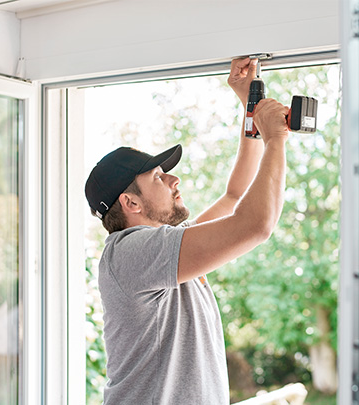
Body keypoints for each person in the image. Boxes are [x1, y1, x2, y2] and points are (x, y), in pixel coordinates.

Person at [84, 57, 289, 405]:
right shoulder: (132, 253)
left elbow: (236, 195)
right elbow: (256, 225)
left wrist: (250, 105)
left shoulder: (163, 251)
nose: (174, 179)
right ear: (130, 203)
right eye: (158, 178)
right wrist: (275, 139)